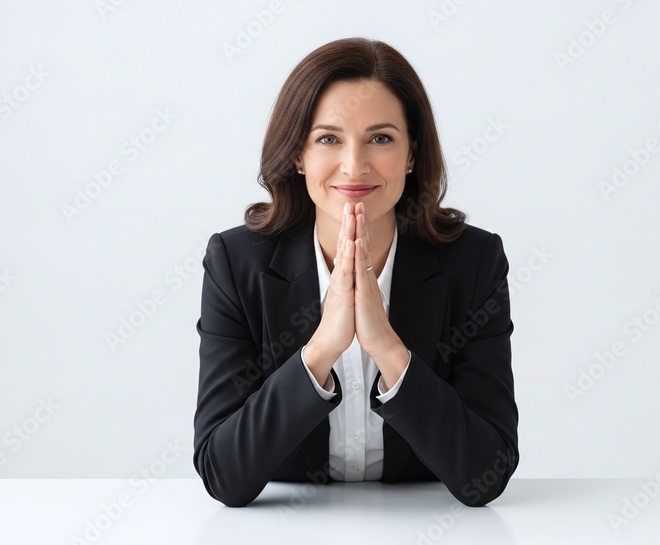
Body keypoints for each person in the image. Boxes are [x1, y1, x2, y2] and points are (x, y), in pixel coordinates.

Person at [192, 37, 518, 508]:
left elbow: (485, 476)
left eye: (380, 138)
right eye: (328, 139)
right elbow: (223, 474)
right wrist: (321, 349)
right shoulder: (235, 263)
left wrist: (388, 348)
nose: (354, 166)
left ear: (411, 154)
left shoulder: (474, 261)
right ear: (298, 155)